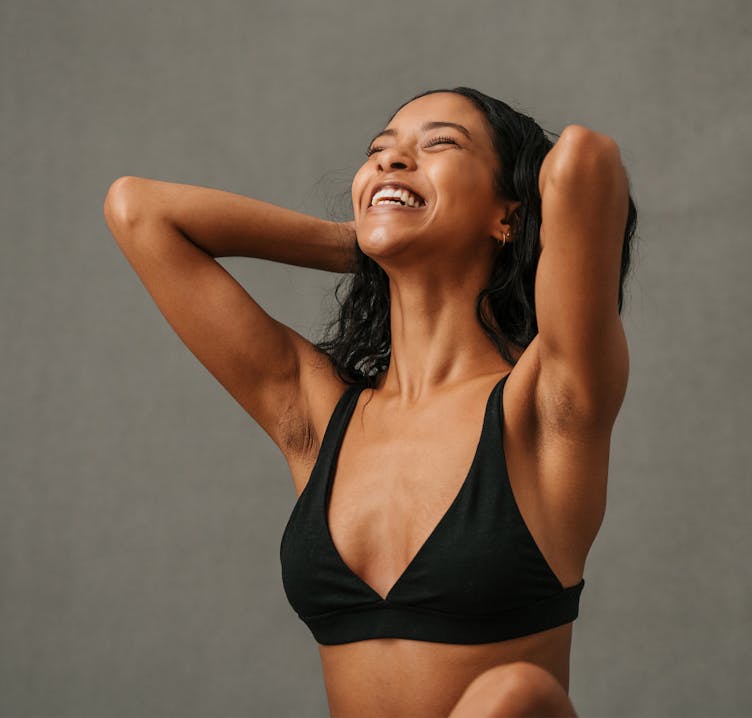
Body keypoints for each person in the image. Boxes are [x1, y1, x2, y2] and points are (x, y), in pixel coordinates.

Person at [104, 86, 636, 718]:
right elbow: (137, 210)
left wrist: (416, 222)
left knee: (513, 695)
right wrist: (359, 240)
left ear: (510, 215)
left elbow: (585, 159)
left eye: (439, 143)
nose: (391, 160)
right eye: (379, 151)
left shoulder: (549, 405)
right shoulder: (317, 416)